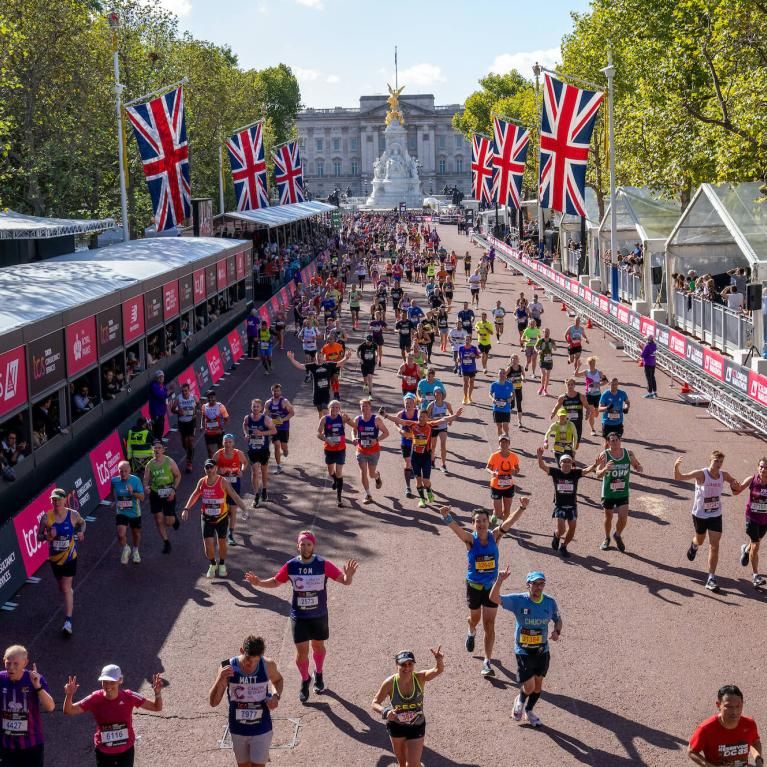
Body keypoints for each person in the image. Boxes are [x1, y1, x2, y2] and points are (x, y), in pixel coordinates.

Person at [244, 531, 358, 703]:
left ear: (314, 546)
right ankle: (305, 680)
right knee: (301, 653)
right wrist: (259, 583)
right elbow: (276, 581)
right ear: (297, 546)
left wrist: (348, 576)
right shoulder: (291, 565)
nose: (305, 547)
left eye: (309, 544)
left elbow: (344, 580)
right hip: (299, 616)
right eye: (302, 544)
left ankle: (318, 674)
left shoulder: (323, 564)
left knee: (318, 647)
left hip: (319, 615)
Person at [438, 501, 528, 676]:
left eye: (484, 520)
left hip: (491, 588)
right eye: (477, 521)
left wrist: (522, 508)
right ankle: (471, 631)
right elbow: (457, 530)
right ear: (473, 524)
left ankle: (487, 662)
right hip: (474, 588)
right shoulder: (470, 540)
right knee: (475, 619)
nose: (481, 524)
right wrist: (446, 516)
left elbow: (509, 522)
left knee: (489, 624)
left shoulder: (495, 536)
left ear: (488, 522)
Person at [489, 569, 562, 728]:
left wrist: (557, 631)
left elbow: (558, 619)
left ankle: (529, 711)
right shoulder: (518, 600)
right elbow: (494, 598)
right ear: (528, 585)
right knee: (529, 687)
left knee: (538, 686)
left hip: (542, 651)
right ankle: (520, 700)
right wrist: (500, 580)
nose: (538, 587)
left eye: (541, 584)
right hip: (523, 651)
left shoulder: (549, 602)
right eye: (534, 584)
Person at [63, 664, 163, 767]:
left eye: (112, 682)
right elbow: (69, 710)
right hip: (104, 751)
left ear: (120, 680)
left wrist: (158, 693)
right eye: (105, 682)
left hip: (126, 750)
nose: (108, 686)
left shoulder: (129, 696)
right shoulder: (94, 698)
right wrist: (69, 695)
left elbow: (157, 707)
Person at [209, 635, 283, 767]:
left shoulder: (267, 665)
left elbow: (278, 680)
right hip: (238, 729)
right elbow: (213, 702)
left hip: (262, 728)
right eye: (248, 660)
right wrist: (219, 679)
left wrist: (275, 696)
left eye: (256, 661)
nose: (251, 664)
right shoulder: (227, 667)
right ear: (241, 651)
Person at [674, 451, 739, 592]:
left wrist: (735, 484)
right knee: (700, 539)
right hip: (700, 515)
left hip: (716, 514)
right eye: (716, 461)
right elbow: (679, 477)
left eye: (721, 462)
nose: (719, 464)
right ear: (710, 460)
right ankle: (694, 545)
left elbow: (734, 484)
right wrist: (676, 467)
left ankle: (711, 578)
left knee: (714, 545)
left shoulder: (724, 475)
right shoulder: (701, 474)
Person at [371, 647, 445, 767]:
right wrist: (385, 711)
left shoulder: (420, 677)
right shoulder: (390, 683)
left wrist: (439, 660)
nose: (407, 668)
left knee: (413, 764)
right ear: (397, 666)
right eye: (403, 665)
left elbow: (438, 670)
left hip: (417, 726)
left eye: (410, 664)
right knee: (402, 764)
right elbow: (375, 703)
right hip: (396, 727)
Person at [382, 406, 462, 508]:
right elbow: (399, 420)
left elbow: (444, 420)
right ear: (418, 417)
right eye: (420, 416)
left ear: (427, 417)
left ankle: (429, 491)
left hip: (426, 457)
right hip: (415, 457)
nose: (421, 419)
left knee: (426, 481)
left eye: (424, 417)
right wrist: (386, 415)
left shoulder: (430, 425)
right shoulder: (413, 424)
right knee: (418, 480)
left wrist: (455, 416)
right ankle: (422, 499)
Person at [181, 458, 248, 578]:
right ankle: (212, 564)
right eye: (207, 467)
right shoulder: (202, 482)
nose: (209, 470)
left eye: (211, 467)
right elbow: (195, 494)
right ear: (204, 469)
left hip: (221, 518)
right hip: (206, 518)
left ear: (216, 468)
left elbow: (234, 495)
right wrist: (186, 508)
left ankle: (222, 564)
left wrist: (244, 508)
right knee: (208, 546)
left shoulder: (223, 482)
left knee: (222, 543)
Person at [537, 447, 602, 558]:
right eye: (564, 461)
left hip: (572, 506)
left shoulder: (575, 473)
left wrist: (595, 465)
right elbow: (542, 466)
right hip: (560, 506)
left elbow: (586, 471)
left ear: (572, 463)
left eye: (568, 461)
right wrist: (539, 456)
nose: (566, 463)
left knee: (572, 528)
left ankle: (564, 546)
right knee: (562, 529)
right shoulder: (555, 472)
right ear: (560, 463)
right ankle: (557, 535)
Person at [1, 645, 55, 766]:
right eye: (8, 663)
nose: (11, 668)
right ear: (3, 660)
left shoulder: (35, 678)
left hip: (32, 745)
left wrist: (38, 687)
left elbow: (50, 707)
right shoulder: (1, 678)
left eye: (16, 664)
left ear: (25, 662)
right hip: (6, 745)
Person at [687, 684, 763, 767]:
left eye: (738, 706)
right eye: (728, 706)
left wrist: (758, 760)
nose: (734, 711)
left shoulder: (749, 724)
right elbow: (691, 751)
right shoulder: (706, 728)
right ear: (718, 705)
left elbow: (755, 742)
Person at [595, 433, 643, 552]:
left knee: (623, 518)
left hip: (622, 492)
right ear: (608, 442)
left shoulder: (628, 453)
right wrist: (605, 469)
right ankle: (606, 538)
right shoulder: (604, 455)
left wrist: (638, 467)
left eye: (617, 440)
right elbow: (597, 474)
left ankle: (617, 534)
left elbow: (637, 464)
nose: (615, 442)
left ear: (620, 440)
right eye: (612, 441)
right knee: (608, 516)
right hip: (608, 492)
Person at [732, 458, 767, 588]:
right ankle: (755, 575)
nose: (763, 470)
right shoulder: (752, 479)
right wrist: (734, 487)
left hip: (764, 520)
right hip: (752, 518)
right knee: (756, 546)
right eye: (761, 467)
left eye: (766, 468)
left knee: (754, 544)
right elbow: (737, 491)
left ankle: (745, 550)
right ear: (758, 467)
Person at [143, 441, 181, 554]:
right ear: (152, 450)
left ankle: (173, 516)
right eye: (155, 449)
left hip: (169, 492)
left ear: (163, 450)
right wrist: (146, 487)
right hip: (155, 493)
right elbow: (145, 479)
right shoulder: (149, 464)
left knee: (169, 522)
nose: (157, 450)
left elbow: (178, 476)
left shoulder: (169, 462)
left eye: (159, 448)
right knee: (158, 520)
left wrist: (174, 490)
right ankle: (166, 542)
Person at [317, 400, 356, 507]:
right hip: (329, 449)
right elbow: (318, 434)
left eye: (337, 407)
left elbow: (354, 426)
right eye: (332, 407)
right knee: (331, 472)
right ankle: (334, 479)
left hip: (340, 449)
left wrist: (348, 418)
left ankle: (339, 498)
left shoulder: (342, 418)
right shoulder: (324, 419)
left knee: (339, 473)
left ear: (339, 409)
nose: (334, 409)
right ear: (329, 408)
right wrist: (327, 440)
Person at [286, 350, 350, 414]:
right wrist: (291, 359)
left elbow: (339, 363)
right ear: (315, 358)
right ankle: (322, 422)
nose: (319, 358)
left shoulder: (328, 365)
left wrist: (346, 357)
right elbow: (300, 366)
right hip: (317, 393)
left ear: (324, 357)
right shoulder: (312, 366)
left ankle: (327, 422)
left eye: (321, 356)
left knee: (325, 411)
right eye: (317, 356)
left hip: (326, 393)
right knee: (320, 412)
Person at [352, 398, 389, 504]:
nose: (364, 408)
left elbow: (386, 433)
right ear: (360, 408)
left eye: (366, 406)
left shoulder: (376, 419)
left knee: (371, 474)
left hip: (374, 451)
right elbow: (353, 431)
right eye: (362, 406)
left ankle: (377, 476)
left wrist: (376, 440)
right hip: (361, 450)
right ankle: (368, 495)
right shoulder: (358, 419)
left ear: (370, 407)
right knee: (363, 472)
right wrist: (354, 437)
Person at [214, 434, 249, 543]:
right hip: (221, 485)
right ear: (222, 443)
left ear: (233, 443)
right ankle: (222, 528)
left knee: (233, 510)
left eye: (230, 442)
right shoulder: (218, 454)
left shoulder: (238, 453)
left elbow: (245, 463)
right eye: (226, 442)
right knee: (224, 508)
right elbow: (210, 467)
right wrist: (218, 471)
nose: (228, 444)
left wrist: (241, 471)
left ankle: (230, 533)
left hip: (234, 483)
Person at [243, 399, 277, 507]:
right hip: (252, 449)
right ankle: (256, 495)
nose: (256, 408)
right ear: (251, 407)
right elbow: (244, 425)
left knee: (263, 470)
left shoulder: (266, 419)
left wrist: (262, 433)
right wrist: (246, 434)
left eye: (257, 407)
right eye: (254, 406)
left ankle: (265, 490)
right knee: (254, 471)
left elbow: (274, 431)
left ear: (261, 408)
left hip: (263, 449)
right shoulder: (248, 418)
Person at [110, 461, 144, 565]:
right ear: (118, 471)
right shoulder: (114, 481)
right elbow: (113, 490)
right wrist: (115, 501)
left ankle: (135, 550)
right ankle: (126, 548)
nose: (123, 473)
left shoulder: (136, 480)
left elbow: (142, 498)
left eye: (125, 471)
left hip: (134, 512)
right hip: (121, 511)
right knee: (120, 534)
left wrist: (132, 492)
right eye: (121, 471)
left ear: (129, 470)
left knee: (136, 534)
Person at [486, 435, 521, 520]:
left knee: (507, 511)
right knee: (498, 513)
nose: (503, 444)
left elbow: (517, 468)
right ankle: (496, 514)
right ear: (499, 443)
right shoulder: (494, 456)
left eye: (505, 442)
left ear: (509, 443)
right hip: (496, 486)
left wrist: (515, 471)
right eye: (502, 442)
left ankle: (504, 530)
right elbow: (487, 467)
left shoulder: (514, 456)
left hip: (508, 486)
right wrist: (492, 472)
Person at [550, 378, 591, 446]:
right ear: (565, 385)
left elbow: (587, 407)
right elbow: (556, 407)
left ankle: (571, 453)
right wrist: (553, 413)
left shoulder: (581, 396)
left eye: (572, 384)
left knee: (576, 444)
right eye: (568, 384)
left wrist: (587, 414)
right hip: (566, 423)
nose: (570, 386)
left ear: (574, 385)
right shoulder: (562, 397)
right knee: (565, 443)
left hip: (577, 423)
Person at [265, 384, 294, 474]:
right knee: (276, 445)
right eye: (274, 391)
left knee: (283, 446)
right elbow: (264, 415)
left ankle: (285, 450)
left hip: (284, 427)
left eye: (278, 391)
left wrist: (283, 419)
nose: (276, 392)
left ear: (280, 391)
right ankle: (279, 466)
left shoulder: (285, 402)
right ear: (272, 391)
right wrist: (267, 421)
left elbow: (292, 413)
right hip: (274, 428)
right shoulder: (268, 403)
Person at [172, 381, 199, 472]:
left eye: (186, 391)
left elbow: (199, 406)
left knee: (190, 440)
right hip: (182, 423)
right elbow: (172, 409)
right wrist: (178, 412)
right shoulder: (178, 399)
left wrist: (195, 412)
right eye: (183, 391)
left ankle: (189, 462)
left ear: (189, 390)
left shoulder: (194, 397)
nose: (184, 392)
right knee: (184, 443)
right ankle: (189, 451)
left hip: (191, 422)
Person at [577, 356, 606, 436]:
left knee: (596, 413)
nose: (591, 365)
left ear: (595, 363)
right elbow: (576, 375)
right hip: (589, 395)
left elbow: (606, 381)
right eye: (590, 363)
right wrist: (578, 366)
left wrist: (598, 384)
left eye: (593, 363)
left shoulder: (599, 373)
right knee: (592, 413)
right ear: (588, 364)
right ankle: (592, 429)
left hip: (597, 395)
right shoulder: (586, 372)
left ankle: (594, 412)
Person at [426, 388, 453, 473]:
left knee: (443, 445)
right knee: (433, 446)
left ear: (442, 394)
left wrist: (450, 420)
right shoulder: (431, 405)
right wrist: (434, 420)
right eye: (436, 393)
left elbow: (451, 412)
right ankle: (432, 460)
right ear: (434, 395)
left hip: (443, 428)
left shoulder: (446, 404)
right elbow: (426, 418)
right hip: (434, 427)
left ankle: (443, 464)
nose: (438, 395)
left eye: (439, 393)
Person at [202, 389, 230, 458]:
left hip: (218, 433)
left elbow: (227, 419)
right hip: (208, 433)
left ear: (215, 397)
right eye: (209, 398)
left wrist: (221, 428)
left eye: (212, 397)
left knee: (220, 451)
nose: (211, 399)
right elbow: (203, 417)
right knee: (210, 452)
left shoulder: (220, 406)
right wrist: (201, 426)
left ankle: (220, 465)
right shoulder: (204, 407)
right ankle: (212, 467)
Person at [489, 368, 514, 439]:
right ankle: (500, 442)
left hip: (506, 408)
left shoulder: (509, 384)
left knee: (505, 425)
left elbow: (513, 393)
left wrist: (511, 398)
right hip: (497, 408)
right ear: (498, 374)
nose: (502, 375)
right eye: (500, 373)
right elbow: (490, 393)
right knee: (499, 426)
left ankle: (507, 437)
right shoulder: (494, 384)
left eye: (503, 373)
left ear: (506, 375)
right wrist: (492, 399)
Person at [458, 335, 480, 405]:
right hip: (464, 368)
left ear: (471, 341)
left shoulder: (474, 348)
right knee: (465, 383)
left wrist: (475, 356)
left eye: (468, 340)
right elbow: (459, 356)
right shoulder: (461, 348)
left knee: (472, 382)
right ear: (464, 340)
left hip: (472, 368)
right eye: (466, 340)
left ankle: (469, 397)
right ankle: (465, 397)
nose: (467, 341)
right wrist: (458, 359)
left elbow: (479, 356)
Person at [505, 353, 526, 429]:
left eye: (516, 358)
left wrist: (523, 378)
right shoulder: (509, 368)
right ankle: (507, 418)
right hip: (511, 389)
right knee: (512, 405)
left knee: (519, 405)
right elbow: (503, 377)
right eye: (513, 358)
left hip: (518, 388)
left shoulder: (521, 367)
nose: (514, 360)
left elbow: (523, 374)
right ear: (511, 360)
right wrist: (510, 379)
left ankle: (519, 422)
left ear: (518, 360)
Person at [147, 370, 169, 440]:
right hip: (156, 412)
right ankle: (157, 444)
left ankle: (158, 443)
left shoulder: (162, 385)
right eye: (159, 377)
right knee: (157, 430)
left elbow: (166, 394)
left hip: (161, 412)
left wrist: (170, 391)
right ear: (156, 378)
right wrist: (169, 391)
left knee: (161, 428)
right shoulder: (154, 386)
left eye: (162, 377)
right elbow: (160, 395)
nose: (161, 378)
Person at [535, 326, 556, 395]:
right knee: (543, 374)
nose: (547, 333)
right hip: (542, 359)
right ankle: (541, 387)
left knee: (548, 375)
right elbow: (535, 347)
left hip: (549, 360)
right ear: (543, 333)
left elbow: (555, 348)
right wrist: (538, 351)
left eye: (548, 332)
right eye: (545, 332)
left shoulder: (551, 340)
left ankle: (545, 389)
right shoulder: (540, 340)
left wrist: (554, 346)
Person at [640, 334, 658, 398]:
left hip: (647, 363)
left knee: (649, 378)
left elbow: (642, 355)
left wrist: (642, 348)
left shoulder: (647, 346)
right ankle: (655, 392)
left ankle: (650, 393)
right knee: (653, 377)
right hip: (653, 363)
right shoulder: (654, 345)